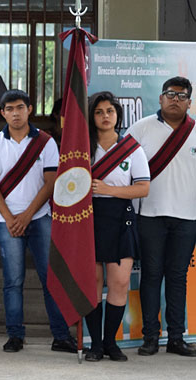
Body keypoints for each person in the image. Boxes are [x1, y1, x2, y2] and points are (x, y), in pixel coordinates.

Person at [0, 90, 76, 354]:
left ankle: (60, 336)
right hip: (6, 221)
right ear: (2, 113)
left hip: (40, 217)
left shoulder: (45, 142)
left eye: (20, 107)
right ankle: (15, 336)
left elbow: (51, 182)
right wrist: (11, 218)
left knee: (50, 279)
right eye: (9, 109)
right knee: (13, 281)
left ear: (30, 109)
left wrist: (26, 215)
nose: (15, 113)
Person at [126, 76, 196, 357]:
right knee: (152, 276)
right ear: (160, 98)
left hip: (188, 216)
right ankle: (150, 337)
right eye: (170, 94)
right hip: (150, 214)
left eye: (181, 96)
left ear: (189, 102)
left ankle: (176, 338)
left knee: (178, 277)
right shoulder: (140, 129)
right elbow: (122, 167)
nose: (175, 99)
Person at [84, 92, 150, 362]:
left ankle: (111, 343)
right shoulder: (83, 147)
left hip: (122, 219)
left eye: (110, 111)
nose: (105, 116)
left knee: (120, 283)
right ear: (92, 117)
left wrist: (108, 189)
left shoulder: (132, 148)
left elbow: (143, 188)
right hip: (90, 219)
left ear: (118, 115)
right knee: (93, 284)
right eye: (99, 112)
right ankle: (96, 345)